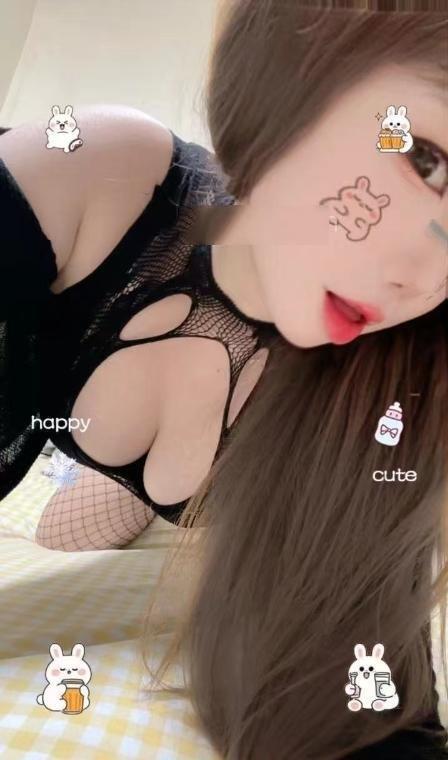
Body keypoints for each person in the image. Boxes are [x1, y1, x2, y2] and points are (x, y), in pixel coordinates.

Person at [1, 0, 448, 757]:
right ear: (300, 72)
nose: (422, 277)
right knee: (64, 531)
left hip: (217, 490)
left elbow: (375, 715)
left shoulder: (394, 385)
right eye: (425, 160)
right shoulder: (103, 177)